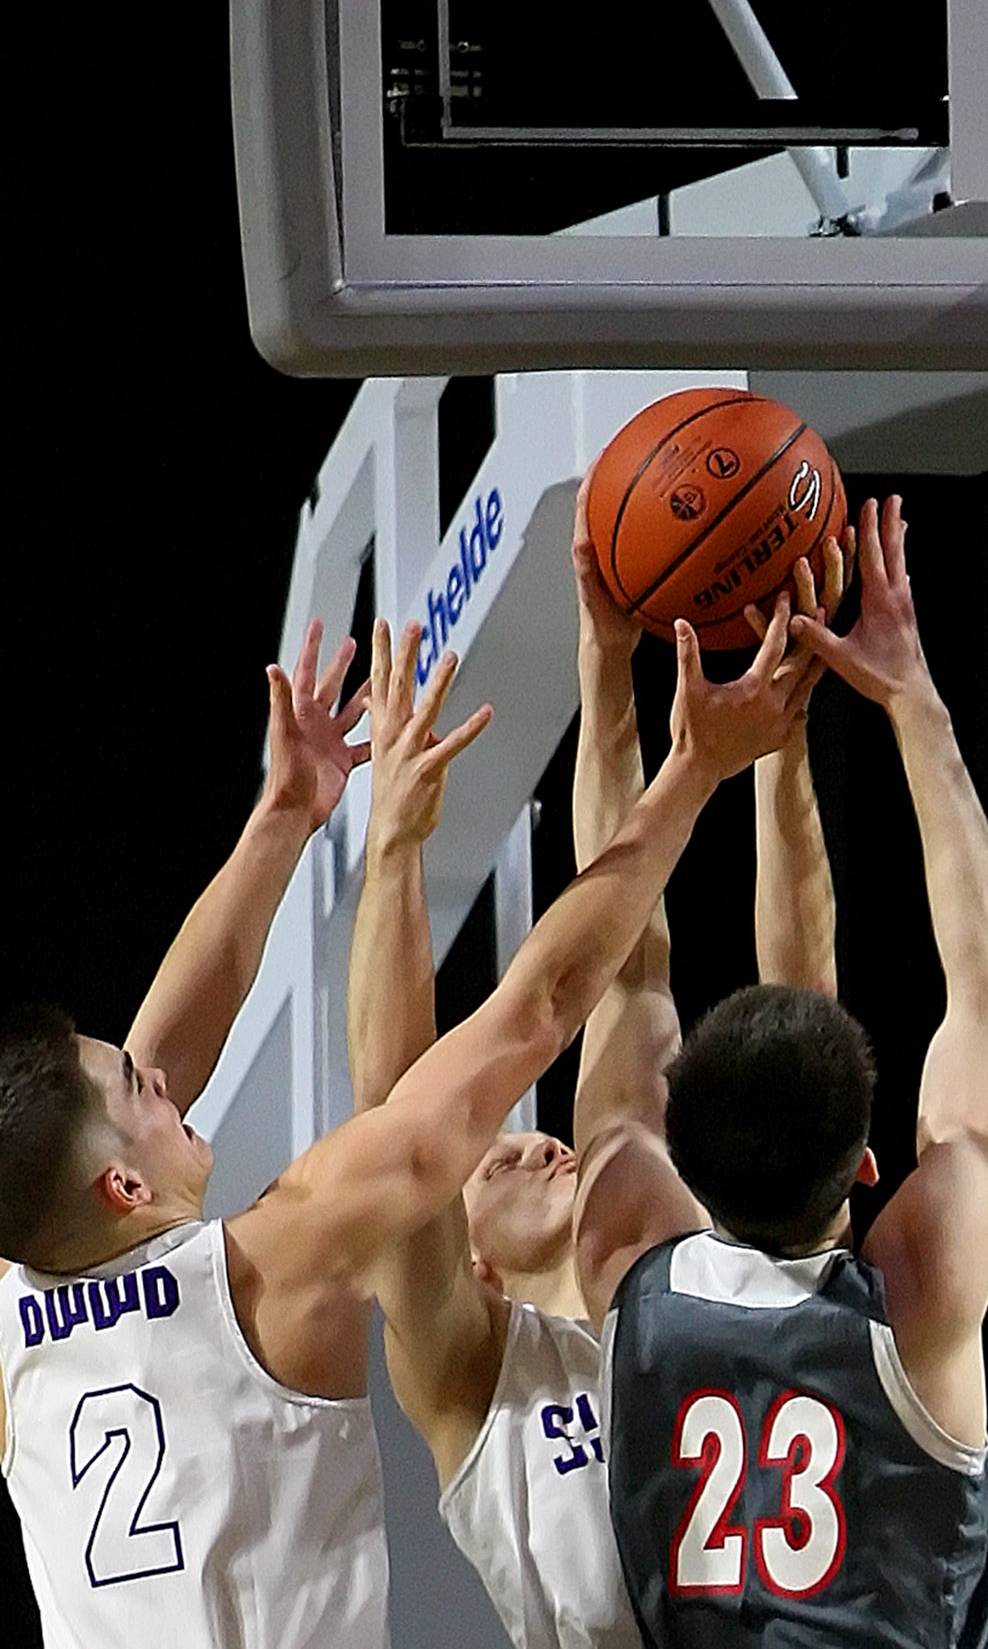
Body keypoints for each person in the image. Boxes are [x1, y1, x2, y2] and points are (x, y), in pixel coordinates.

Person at [0, 600, 811, 1648]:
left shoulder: (17, 1322)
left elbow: (144, 1075)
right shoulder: (281, 1266)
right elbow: (540, 1009)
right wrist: (696, 769)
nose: (164, 1080)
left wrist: (287, 812)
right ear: (121, 1188)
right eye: (143, 1093)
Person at [345, 479, 845, 1649]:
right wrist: (394, 855)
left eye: (522, 1132)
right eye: (490, 1157)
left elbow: (758, 988)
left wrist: (676, 689)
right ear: (464, 1249)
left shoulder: (700, 1264)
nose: (530, 1136)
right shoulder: (474, 1375)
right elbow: (394, 1116)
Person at [580, 496, 988, 1647]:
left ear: (680, 1153)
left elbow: (621, 971)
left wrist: (608, 672)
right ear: (870, 1165)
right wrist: (905, 692)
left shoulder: (632, 1262)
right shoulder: (917, 1295)